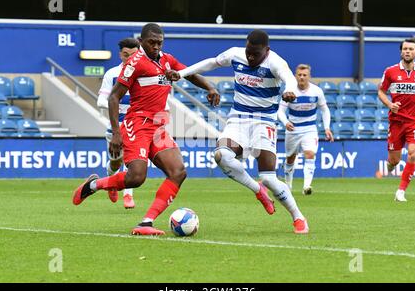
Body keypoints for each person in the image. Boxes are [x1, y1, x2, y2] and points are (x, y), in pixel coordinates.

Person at [72, 23, 220, 235]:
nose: (156, 46)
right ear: (141, 42)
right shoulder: (135, 63)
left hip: (158, 127)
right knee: (136, 178)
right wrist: (116, 132)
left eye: (159, 42)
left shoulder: (167, 59)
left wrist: (210, 87)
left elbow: (188, 73)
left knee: (178, 172)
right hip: (137, 125)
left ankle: (146, 223)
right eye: (152, 42)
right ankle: (93, 185)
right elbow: (114, 97)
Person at [166, 29, 309, 234]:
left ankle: (298, 217)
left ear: (266, 51)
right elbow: (212, 62)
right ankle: (258, 190)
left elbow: (290, 79)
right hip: (238, 118)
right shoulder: (236, 54)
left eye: (256, 54)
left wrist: (291, 92)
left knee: (269, 177)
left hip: (264, 121)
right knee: (221, 155)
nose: (250, 57)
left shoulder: (275, 62)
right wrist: (181, 73)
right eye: (249, 52)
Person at [378, 37, 415, 202]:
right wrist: (389, 104)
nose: (407, 51)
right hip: (396, 122)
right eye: (405, 49)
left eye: (411, 49)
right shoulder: (390, 71)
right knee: (394, 160)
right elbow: (381, 92)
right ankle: (391, 165)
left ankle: (401, 191)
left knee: (412, 154)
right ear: (401, 51)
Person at [278, 64, 334, 195]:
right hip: (293, 130)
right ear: (295, 76)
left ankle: (307, 186)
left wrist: (327, 128)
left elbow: (325, 110)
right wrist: (285, 122)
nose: (302, 77)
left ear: (309, 76)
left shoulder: (316, 91)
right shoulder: (290, 92)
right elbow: (280, 111)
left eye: (305, 75)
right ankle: (288, 186)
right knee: (290, 158)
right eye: (299, 75)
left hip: (310, 129)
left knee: (310, 154)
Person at [97, 37, 139, 209]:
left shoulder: (143, 73)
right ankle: (110, 181)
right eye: (125, 54)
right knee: (116, 162)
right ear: (120, 54)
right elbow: (101, 100)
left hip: (136, 126)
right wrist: (117, 104)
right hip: (116, 127)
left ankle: (128, 195)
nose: (129, 58)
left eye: (133, 55)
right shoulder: (112, 74)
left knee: (133, 161)